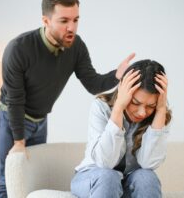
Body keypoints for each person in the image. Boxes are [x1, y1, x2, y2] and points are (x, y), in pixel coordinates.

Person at [0, 0, 135, 197]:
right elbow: (15, 100)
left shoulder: (76, 47)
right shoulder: (18, 49)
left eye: (76, 20)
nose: (72, 27)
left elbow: (92, 83)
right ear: (46, 20)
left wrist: (117, 74)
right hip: (12, 117)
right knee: (9, 178)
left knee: (30, 177)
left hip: (40, 120)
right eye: (64, 21)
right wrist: (18, 142)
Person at [71, 59, 172, 198]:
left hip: (129, 183)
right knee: (109, 177)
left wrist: (160, 110)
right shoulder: (101, 107)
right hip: (94, 178)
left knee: (147, 178)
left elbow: (148, 163)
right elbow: (105, 162)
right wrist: (118, 107)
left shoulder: (159, 116)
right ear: (123, 92)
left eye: (151, 106)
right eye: (135, 103)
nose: (142, 112)